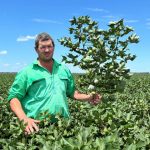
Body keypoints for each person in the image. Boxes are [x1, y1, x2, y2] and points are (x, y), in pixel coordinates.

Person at [7, 32, 101, 134]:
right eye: (42, 47)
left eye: (49, 46)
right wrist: (23, 118)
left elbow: (73, 93)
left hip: (63, 125)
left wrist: (90, 97)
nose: (47, 50)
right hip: (35, 126)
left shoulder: (63, 70)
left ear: (54, 47)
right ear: (36, 49)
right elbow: (14, 98)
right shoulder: (26, 72)